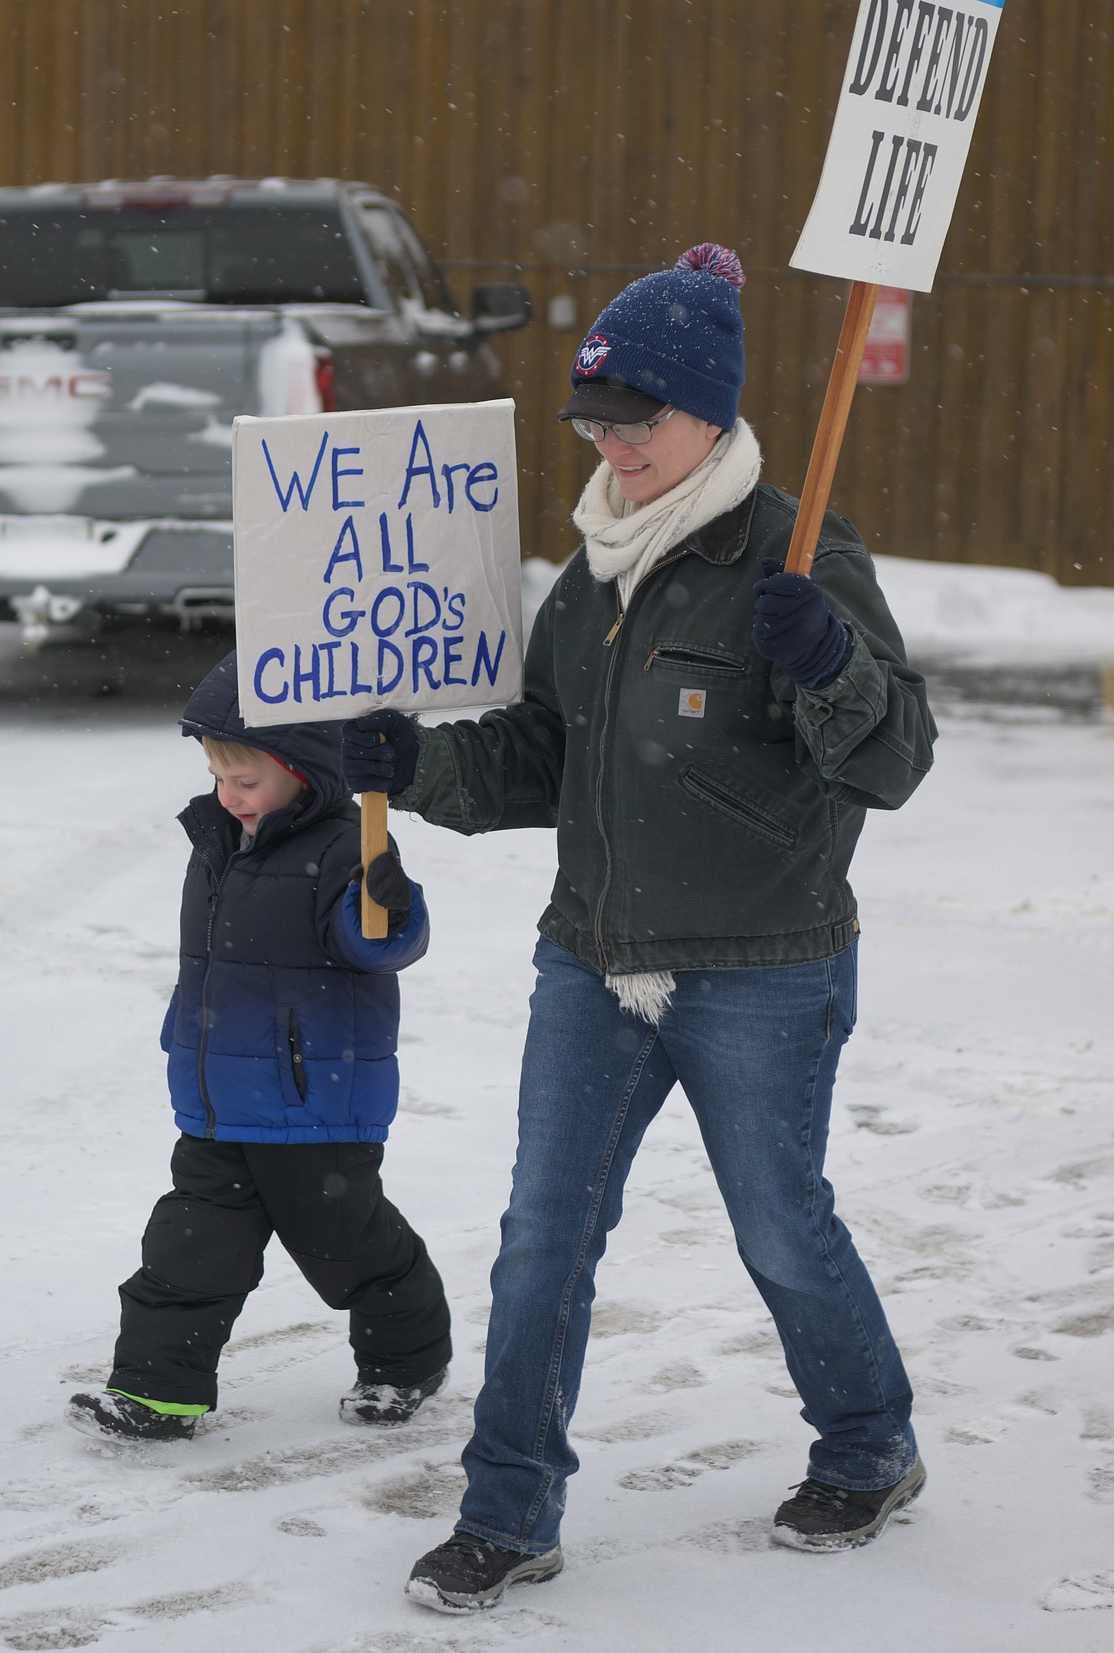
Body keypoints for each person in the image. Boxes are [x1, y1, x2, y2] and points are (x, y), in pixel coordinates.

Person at [340, 244, 937, 1612]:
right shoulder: (590, 569)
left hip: (761, 965)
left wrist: (831, 662)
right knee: (542, 1235)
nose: (611, 446)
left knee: (779, 1227)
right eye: (593, 422)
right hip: (591, 957)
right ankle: (506, 1507)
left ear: (710, 414)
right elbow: (541, 753)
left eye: (636, 420)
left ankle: (867, 1440)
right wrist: (411, 762)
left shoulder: (798, 552)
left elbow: (894, 759)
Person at [66, 650, 451, 1445]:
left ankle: (406, 1360)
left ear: (305, 769)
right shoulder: (214, 841)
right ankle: (157, 1393)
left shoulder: (349, 844)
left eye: (246, 780)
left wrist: (387, 907)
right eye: (218, 776)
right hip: (216, 1098)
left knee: (349, 1248)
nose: (227, 796)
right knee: (189, 1245)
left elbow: (379, 944)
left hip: (315, 1104)